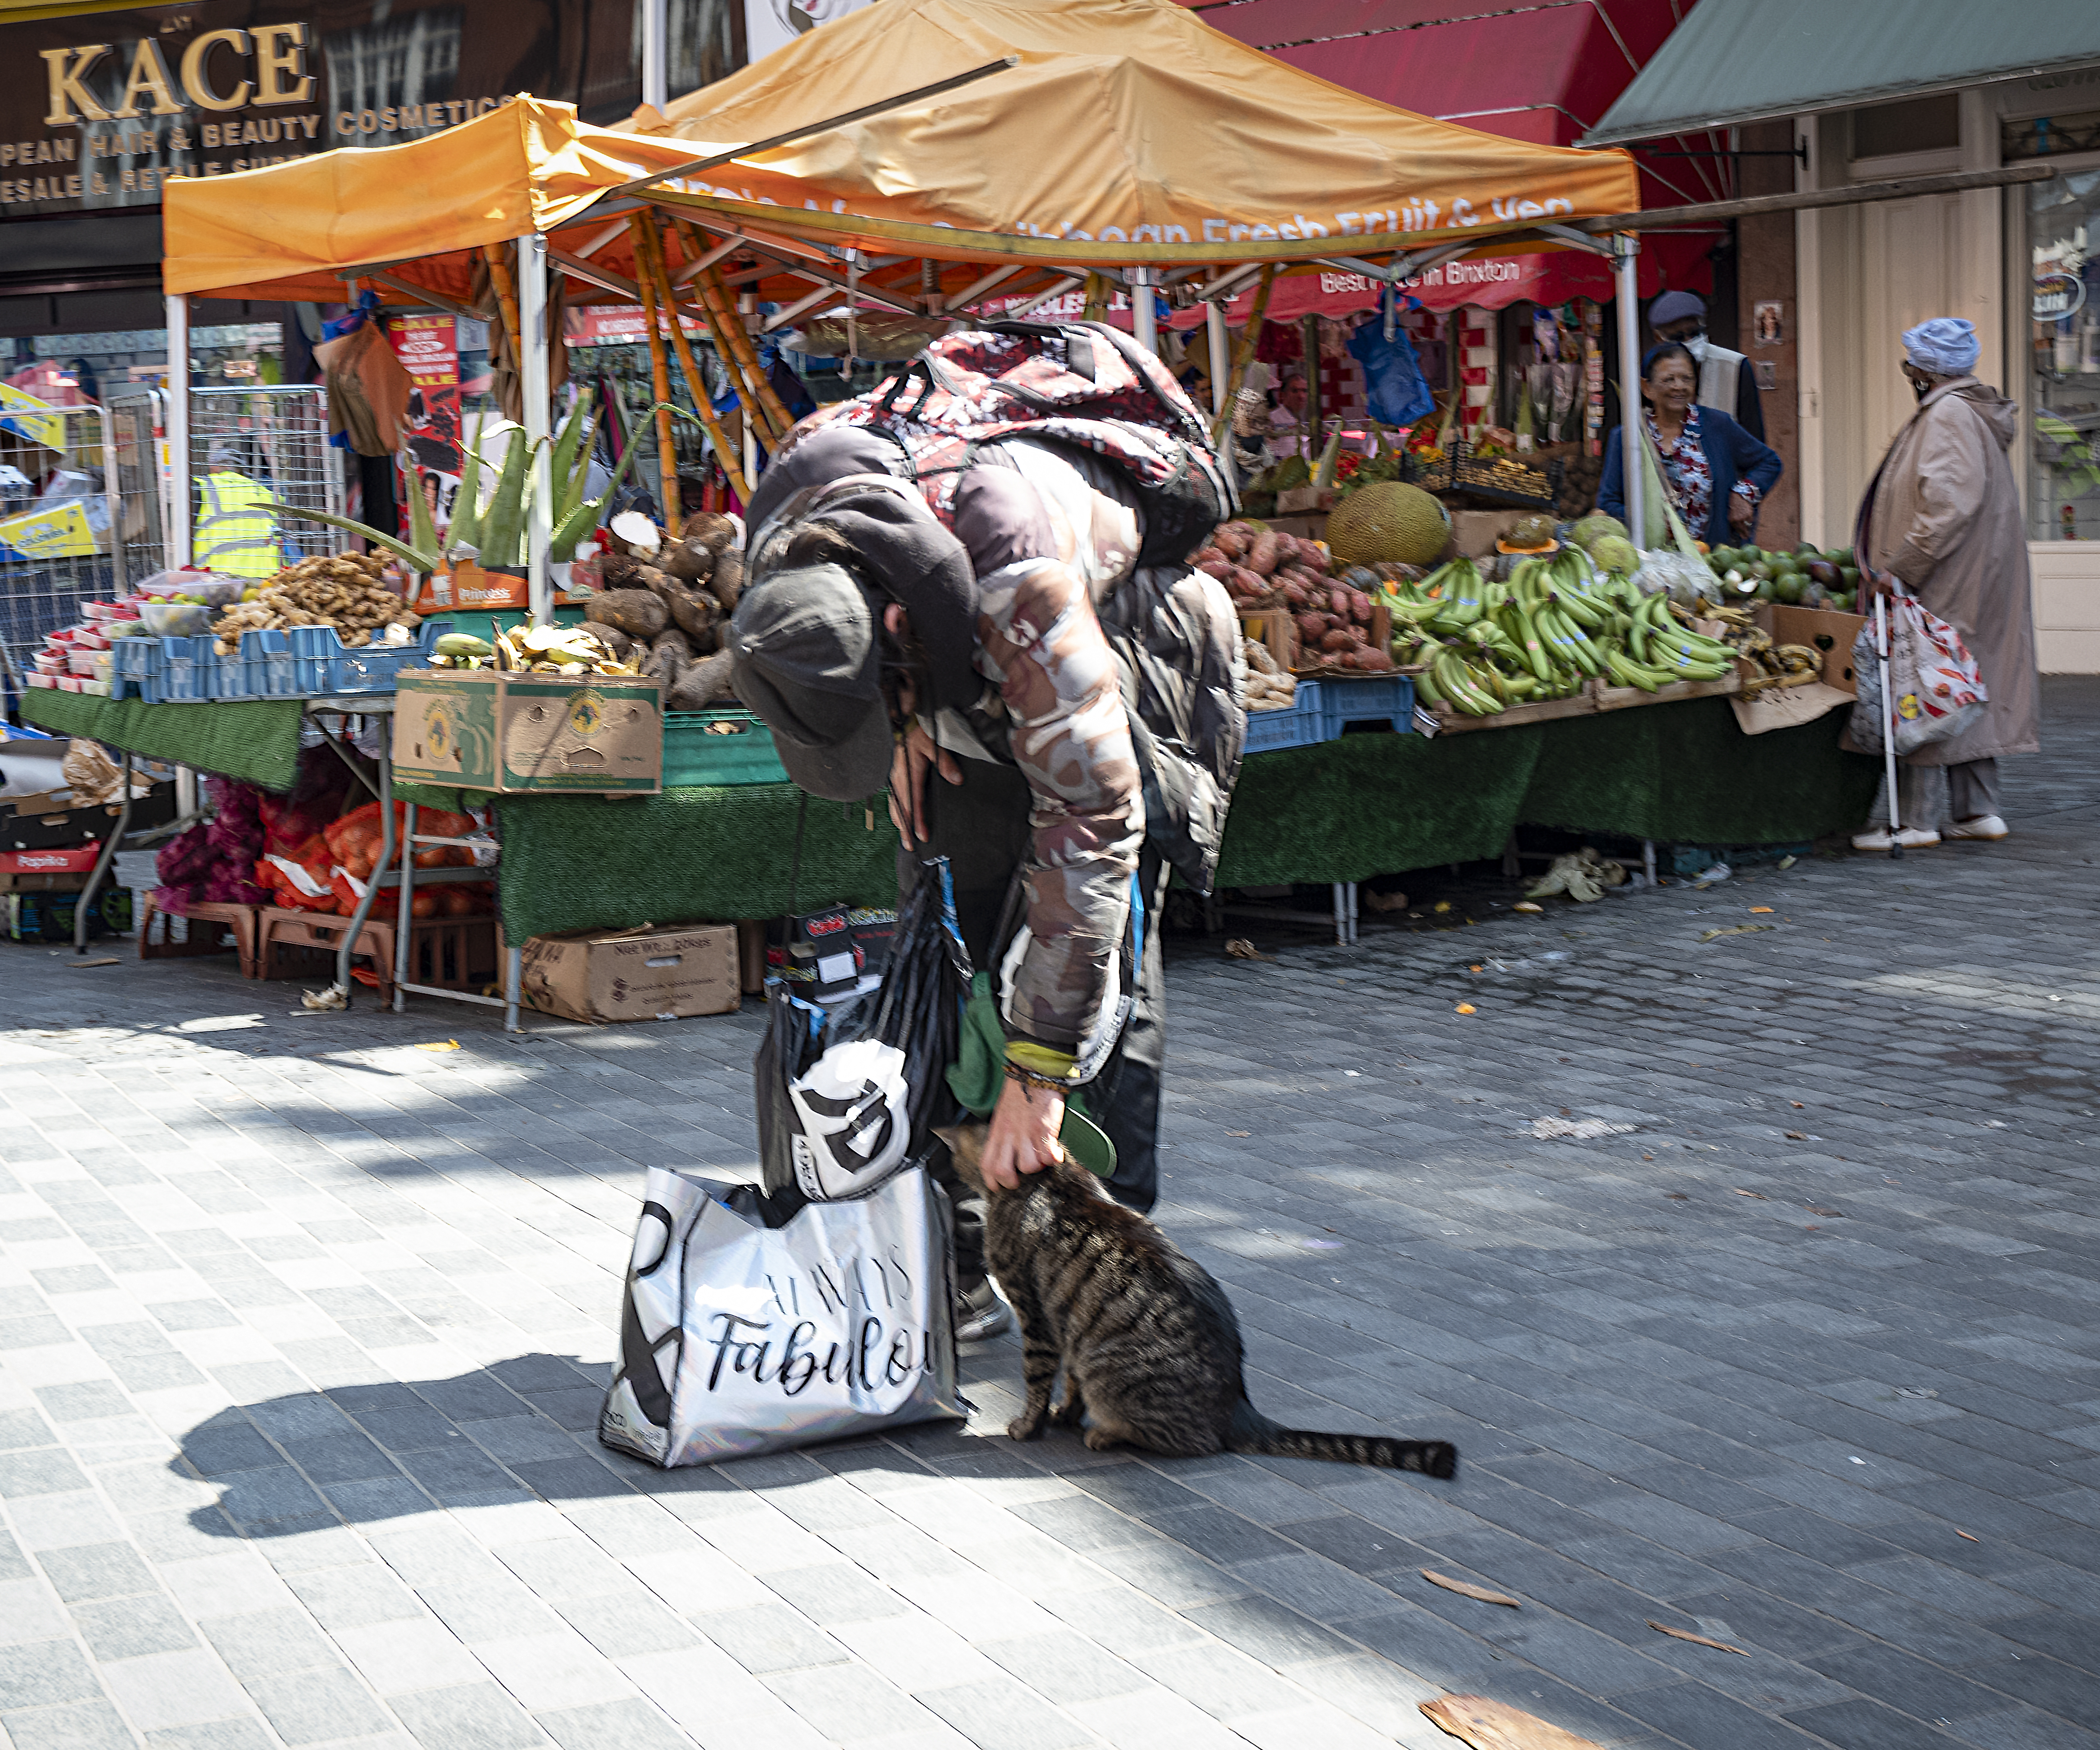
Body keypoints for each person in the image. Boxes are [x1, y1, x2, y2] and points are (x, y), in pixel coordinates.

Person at [731, 346, 1240, 1341]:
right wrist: (906, 726)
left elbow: (1093, 835)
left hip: (1120, 643)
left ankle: (1121, 1270)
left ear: (894, 623)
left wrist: (1039, 1077)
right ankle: (956, 1262)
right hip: (955, 649)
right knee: (946, 940)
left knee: (1095, 986)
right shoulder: (785, 529)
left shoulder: (1022, 584)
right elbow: (835, 623)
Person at [1848, 317, 2038, 851]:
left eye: (1910, 362)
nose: (1905, 370)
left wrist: (1902, 566)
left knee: (1924, 684)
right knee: (1965, 682)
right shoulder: (1965, 412)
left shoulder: (1948, 414)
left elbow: (1947, 505)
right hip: (1976, 576)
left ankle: (1916, 821)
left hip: (1949, 577)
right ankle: (1978, 811)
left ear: (1926, 370)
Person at [1597, 344, 1782, 547]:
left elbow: (1769, 462)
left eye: (1687, 379)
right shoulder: (1627, 437)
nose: (1679, 386)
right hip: (1652, 563)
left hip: (1713, 558)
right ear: (1647, 388)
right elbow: (1608, 502)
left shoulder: (1717, 425)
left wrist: (1743, 495)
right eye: (1669, 379)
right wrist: (1650, 521)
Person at [1649, 289, 1764, 441]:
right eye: (1678, 337)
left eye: (1695, 333)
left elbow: (1755, 438)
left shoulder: (1735, 366)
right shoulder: (1650, 371)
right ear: (1659, 338)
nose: (1689, 340)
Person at [193, 441, 282, 578]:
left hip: (216, 578)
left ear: (213, 466)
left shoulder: (203, 486)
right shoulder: (265, 493)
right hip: (264, 580)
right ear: (243, 469)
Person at [1267, 372, 1309, 460]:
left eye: (1304, 391)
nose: (1301, 396)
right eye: (1295, 391)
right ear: (1283, 395)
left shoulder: (1305, 420)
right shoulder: (1272, 420)